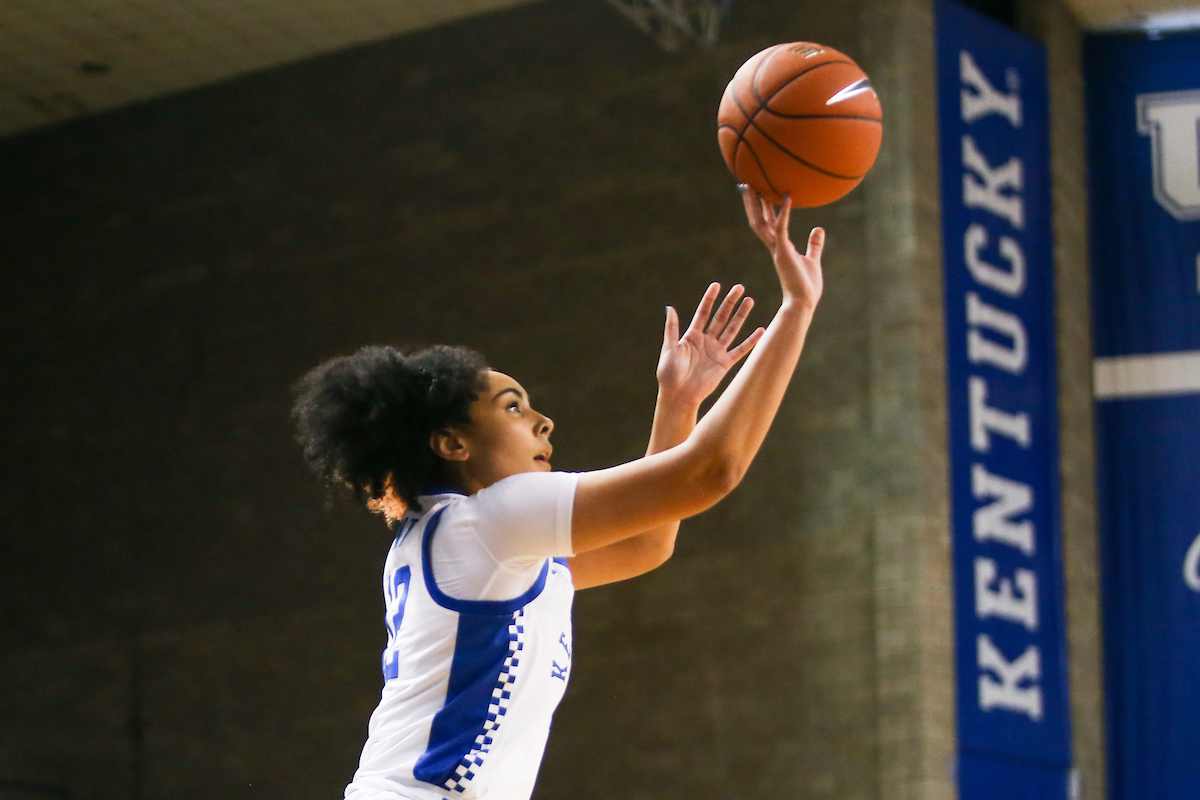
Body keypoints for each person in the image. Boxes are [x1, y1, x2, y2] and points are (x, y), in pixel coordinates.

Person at [291, 188, 825, 800]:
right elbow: (711, 472)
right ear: (452, 444)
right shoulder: (488, 524)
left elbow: (646, 543)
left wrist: (679, 404)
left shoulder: (466, 542)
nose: (543, 423)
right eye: (512, 407)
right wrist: (796, 309)